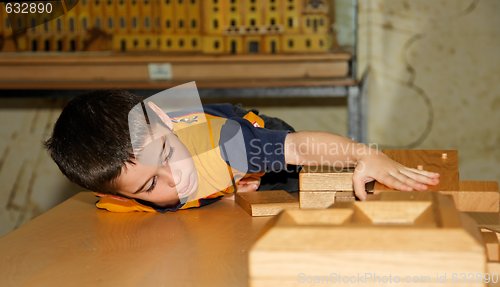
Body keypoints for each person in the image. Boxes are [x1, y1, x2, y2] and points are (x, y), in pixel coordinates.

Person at [44, 89, 439, 212]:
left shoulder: (229, 147)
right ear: (117, 194)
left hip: (257, 136)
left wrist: (364, 155)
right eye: (150, 186)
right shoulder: (118, 193)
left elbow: (301, 147)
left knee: (300, 191)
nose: (174, 177)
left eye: (166, 155)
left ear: (167, 120)